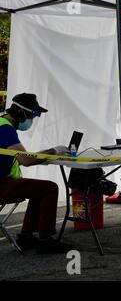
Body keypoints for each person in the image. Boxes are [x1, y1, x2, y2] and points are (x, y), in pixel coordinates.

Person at [0, 93, 73, 253]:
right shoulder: (5, 129)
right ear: (20, 112)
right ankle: (45, 240)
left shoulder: (2, 123)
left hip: (4, 180)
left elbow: (21, 157)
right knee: (50, 188)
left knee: (38, 189)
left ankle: (26, 236)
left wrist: (43, 156)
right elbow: (26, 160)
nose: (33, 119)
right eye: (33, 115)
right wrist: (53, 151)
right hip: (2, 184)